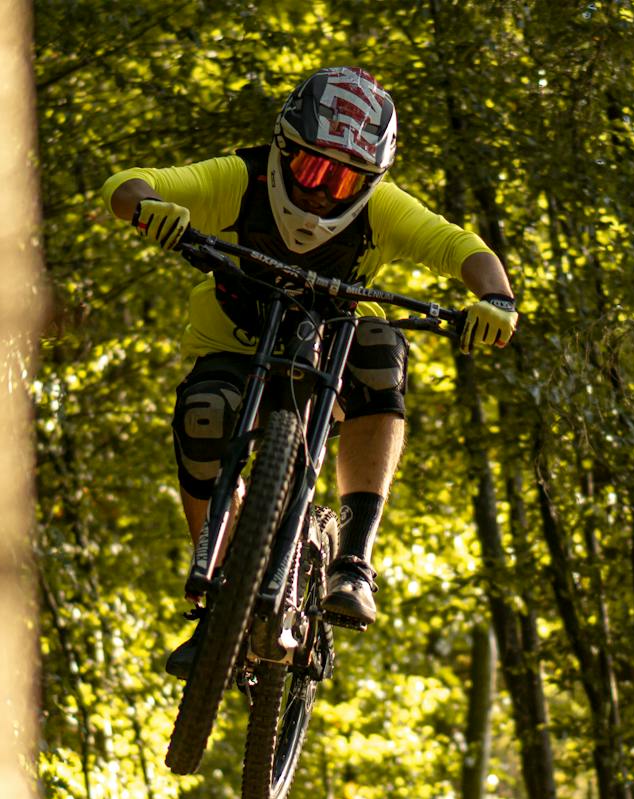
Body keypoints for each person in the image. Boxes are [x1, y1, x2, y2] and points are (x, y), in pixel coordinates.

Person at [103, 66, 518, 677]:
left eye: (344, 178)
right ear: (282, 150)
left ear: (371, 182)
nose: (323, 192)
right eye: (312, 169)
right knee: (204, 417)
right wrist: (150, 210)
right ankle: (216, 588)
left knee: (381, 351)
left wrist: (497, 300)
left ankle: (353, 561)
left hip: (335, 345)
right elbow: (128, 185)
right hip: (234, 345)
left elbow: (464, 249)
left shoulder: (383, 211)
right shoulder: (239, 180)